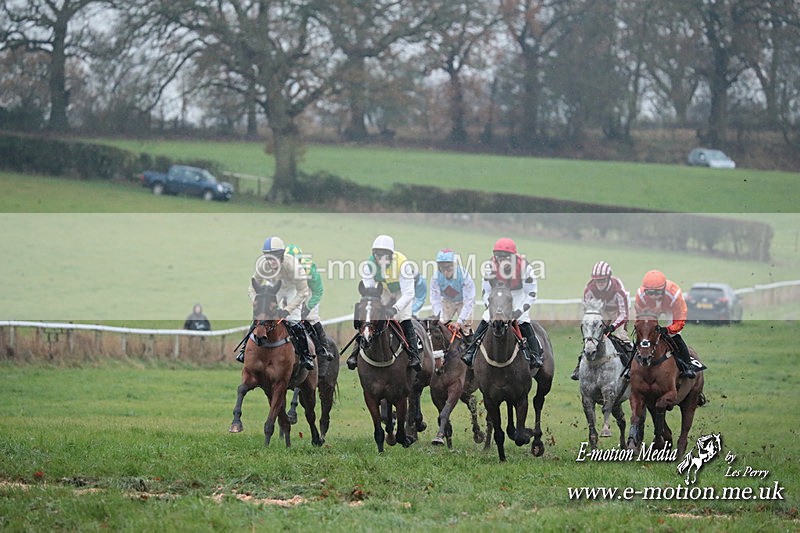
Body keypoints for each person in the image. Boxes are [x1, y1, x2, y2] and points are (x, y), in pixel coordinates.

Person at [461, 237, 543, 370]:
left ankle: (535, 355)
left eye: (505, 257)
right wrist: (492, 309)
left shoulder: (525, 267)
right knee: (486, 317)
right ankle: (471, 352)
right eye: (499, 257)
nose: (502, 260)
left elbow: (531, 293)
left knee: (522, 320)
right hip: (497, 295)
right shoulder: (490, 266)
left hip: (518, 295)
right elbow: (486, 291)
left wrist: (517, 312)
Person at [236, 236, 315, 370]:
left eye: (274, 257)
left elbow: (303, 292)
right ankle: (244, 350)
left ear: (281, 255)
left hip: (293, 290)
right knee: (261, 315)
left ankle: (305, 355)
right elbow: (251, 287)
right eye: (268, 257)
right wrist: (257, 302)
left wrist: (288, 309)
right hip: (274, 287)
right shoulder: (262, 266)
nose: (271, 261)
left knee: (293, 320)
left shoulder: (294, 267)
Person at [347, 234, 422, 371]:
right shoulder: (368, 266)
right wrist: (377, 307)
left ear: (391, 255)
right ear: (373, 254)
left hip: (402, 292)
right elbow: (370, 292)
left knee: (403, 318)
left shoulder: (403, 264)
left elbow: (409, 293)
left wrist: (394, 309)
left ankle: (414, 355)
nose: (381, 258)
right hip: (384, 291)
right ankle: (355, 353)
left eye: (384, 255)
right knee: (370, 317)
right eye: (378, 255)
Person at [570, 261, 633, 380]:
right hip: (600, 311)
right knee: (592, 337)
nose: (599, 283)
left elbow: (623, 314)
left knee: (621, 337)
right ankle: (579, 366)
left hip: (618, 312)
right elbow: (587, 312)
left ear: (608, 278)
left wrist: (613, 327)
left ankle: (630, 368)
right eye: (597, 280)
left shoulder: (618, 289)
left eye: (602, 280)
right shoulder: (589, 289)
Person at [634, 270, 696, 379]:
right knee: (643, 334)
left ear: (663, 289)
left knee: (674, 336)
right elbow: (640, 319)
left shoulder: (674, 294)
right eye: (650, 293)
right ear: (645, 290)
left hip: (670, 310)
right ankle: (630, 365)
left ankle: (687, 365)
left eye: (657, 292)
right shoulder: (640, 295)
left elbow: (680, 321)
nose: (654, 296)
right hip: (651, 310)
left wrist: (667, 330)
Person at [284, 243, 334, 361]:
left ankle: (324, 349)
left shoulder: (309, 269)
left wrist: (307, 307)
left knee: (311, 318)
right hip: (291, 292)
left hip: (309, 293)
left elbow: (318, 291)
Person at [429, 248, 476, 332]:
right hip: (448, 301)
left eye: (448, 268)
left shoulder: (464, 277)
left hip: (463, 302)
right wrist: (439, 317)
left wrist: (459, 322)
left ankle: (470, 342)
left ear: (454, 265)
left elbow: (469, 301)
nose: (446, 272)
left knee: (465, 327)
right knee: (440, 324)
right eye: (442, 268)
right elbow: (435, 300)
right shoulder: (435, 278)